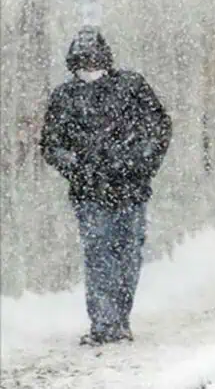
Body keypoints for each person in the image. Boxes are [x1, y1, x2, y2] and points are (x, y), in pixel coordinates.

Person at [39, 26, 172, 345]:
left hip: (131, 188)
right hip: (90, 193)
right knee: (99, 255)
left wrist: (138, 161)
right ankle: (103, 323)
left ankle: (119, 319)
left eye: (94, 60)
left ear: (106, 59)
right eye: (82, 62)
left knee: (127, 256)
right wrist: (78, 166)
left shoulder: (132, 87)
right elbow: (51, 144)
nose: (89, 68)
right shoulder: (64, 97)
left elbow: (159, 129)